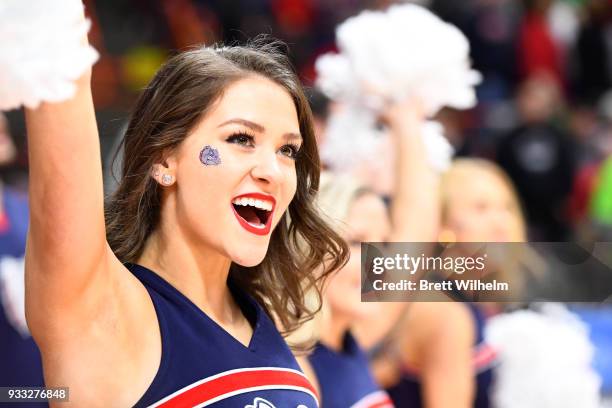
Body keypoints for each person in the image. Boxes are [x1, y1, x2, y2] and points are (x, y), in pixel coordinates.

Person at [24, 14, 348, 407]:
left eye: (287, 150)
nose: (272, 172)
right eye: (241, 138)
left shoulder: (273, 315)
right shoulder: (102, 312)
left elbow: (420, 274)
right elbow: (58, 78)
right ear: (164, 160)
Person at [383, 158, 526, 408]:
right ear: (442, 224)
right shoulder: (446, 313)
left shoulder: (473, 296)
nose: (501, 224)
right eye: (481, 208)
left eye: (507, 208)